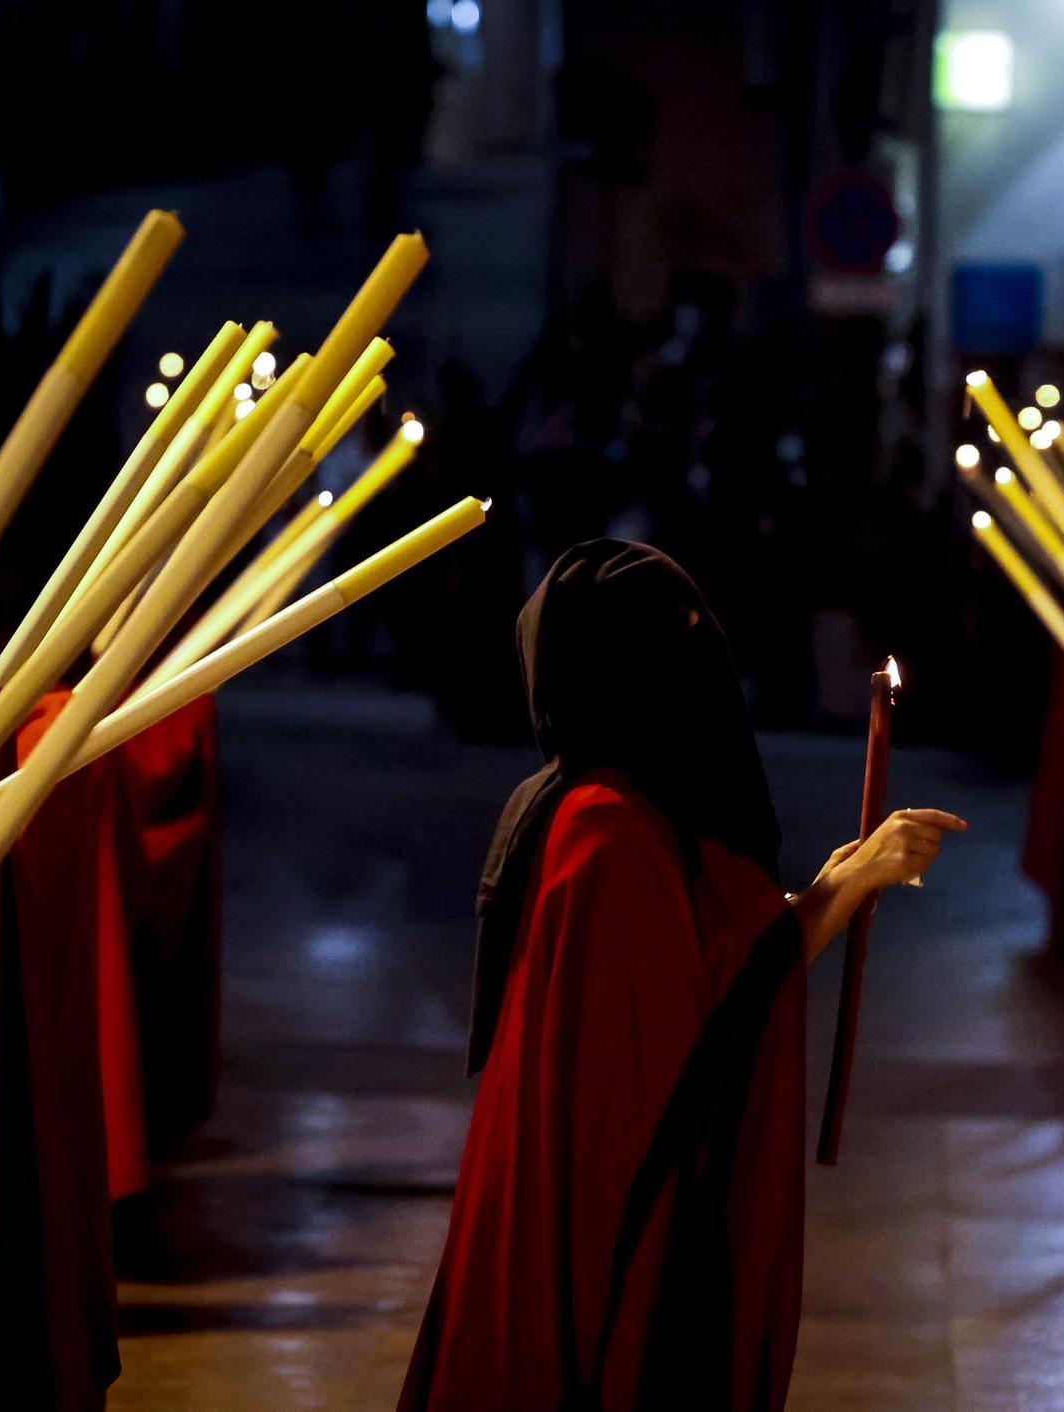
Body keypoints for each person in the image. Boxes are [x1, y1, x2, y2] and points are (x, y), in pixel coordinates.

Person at [398, 540, 966, 1411]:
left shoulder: (609, 805)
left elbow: (702, 970)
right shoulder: (606, 833)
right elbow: (692, 1042)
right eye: (680, 639)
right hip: (616, 1243)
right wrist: (840, 889)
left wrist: (836, 886)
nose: (705, 666)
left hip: (605, 1214)